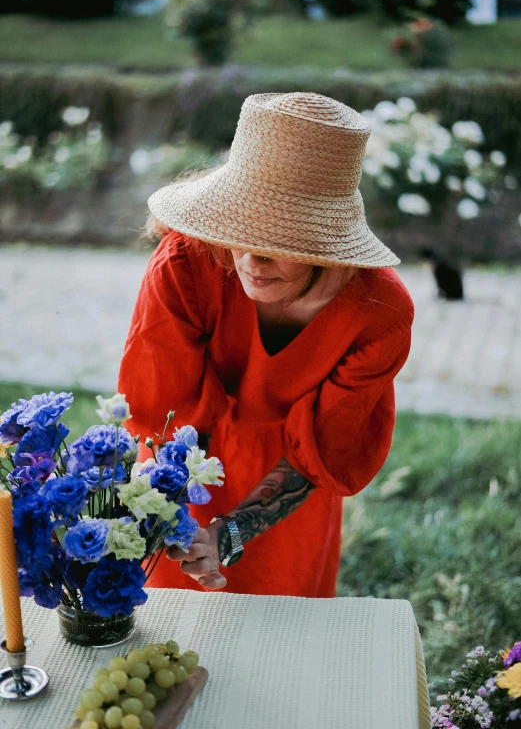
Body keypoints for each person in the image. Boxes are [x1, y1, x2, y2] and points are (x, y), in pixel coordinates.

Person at [117, 91, 414, 598]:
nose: (251, 260)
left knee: (281, 633)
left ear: (327, 243)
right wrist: (174, 519)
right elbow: (160, 411)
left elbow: (323, 448)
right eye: (239, 228)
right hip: (180, 472)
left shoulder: (379, 313)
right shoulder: (186, 263)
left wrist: (228, 534)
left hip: (292, 488)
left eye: (279, 241)